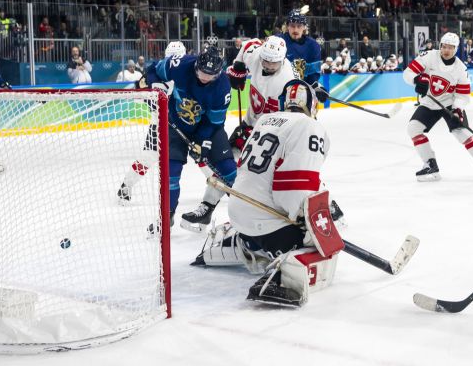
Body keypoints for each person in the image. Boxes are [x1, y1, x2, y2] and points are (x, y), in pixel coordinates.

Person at [192, 79, 343, 307]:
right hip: (269, 228)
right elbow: (294, 188)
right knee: (323, 245)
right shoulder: (309, 126)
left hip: (238, 217)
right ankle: (281, 278)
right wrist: (306, 221)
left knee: (276, 219)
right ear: (312, 105)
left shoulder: (265, 120)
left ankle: (243, 246)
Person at [144, 45, 236, 230]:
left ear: (218, 73)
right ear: (195, 66)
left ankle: (246, 213)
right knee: (171, 173)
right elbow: (153, 69)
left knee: (228, 170)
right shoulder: (180, 65)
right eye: (201, 72)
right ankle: (167, 216)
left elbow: (214, 122)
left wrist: (203, 142)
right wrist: (153, 82)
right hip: (176, 124)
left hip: (207, 128)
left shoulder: (223, 87)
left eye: (209, 75)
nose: (204, 77)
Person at [403, 32, 473, 182]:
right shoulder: (429, 56)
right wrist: (417, 79)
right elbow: (408, 72)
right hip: (429, 102)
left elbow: (463, 95)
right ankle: (430, 165)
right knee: (413, 128)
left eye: (450, 48)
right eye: (444, 47)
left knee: (461, 133)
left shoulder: (461, 69)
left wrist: (458, 110)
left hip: (449, 104)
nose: (446, 50)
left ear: (456, 49)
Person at [225, 36, 294, 154]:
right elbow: (248, 44)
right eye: (265, 61)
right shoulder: (256, 56)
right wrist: (238, 65)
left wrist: (256, 133)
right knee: (228, 159)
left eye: (274, 63)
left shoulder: (287, 81)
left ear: (283, 60)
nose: (268, 66)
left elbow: (287, 119)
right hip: (249, 122)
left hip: (273, 132)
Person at [277, 9, 322, 87]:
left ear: (304, 27)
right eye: (292, 26)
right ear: (287, 26)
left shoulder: (313, 46)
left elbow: (313, 76)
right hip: (279, 88)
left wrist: (314, 87)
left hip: (303, 90)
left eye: (299, 26)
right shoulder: (277, 41)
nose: (295, 30)